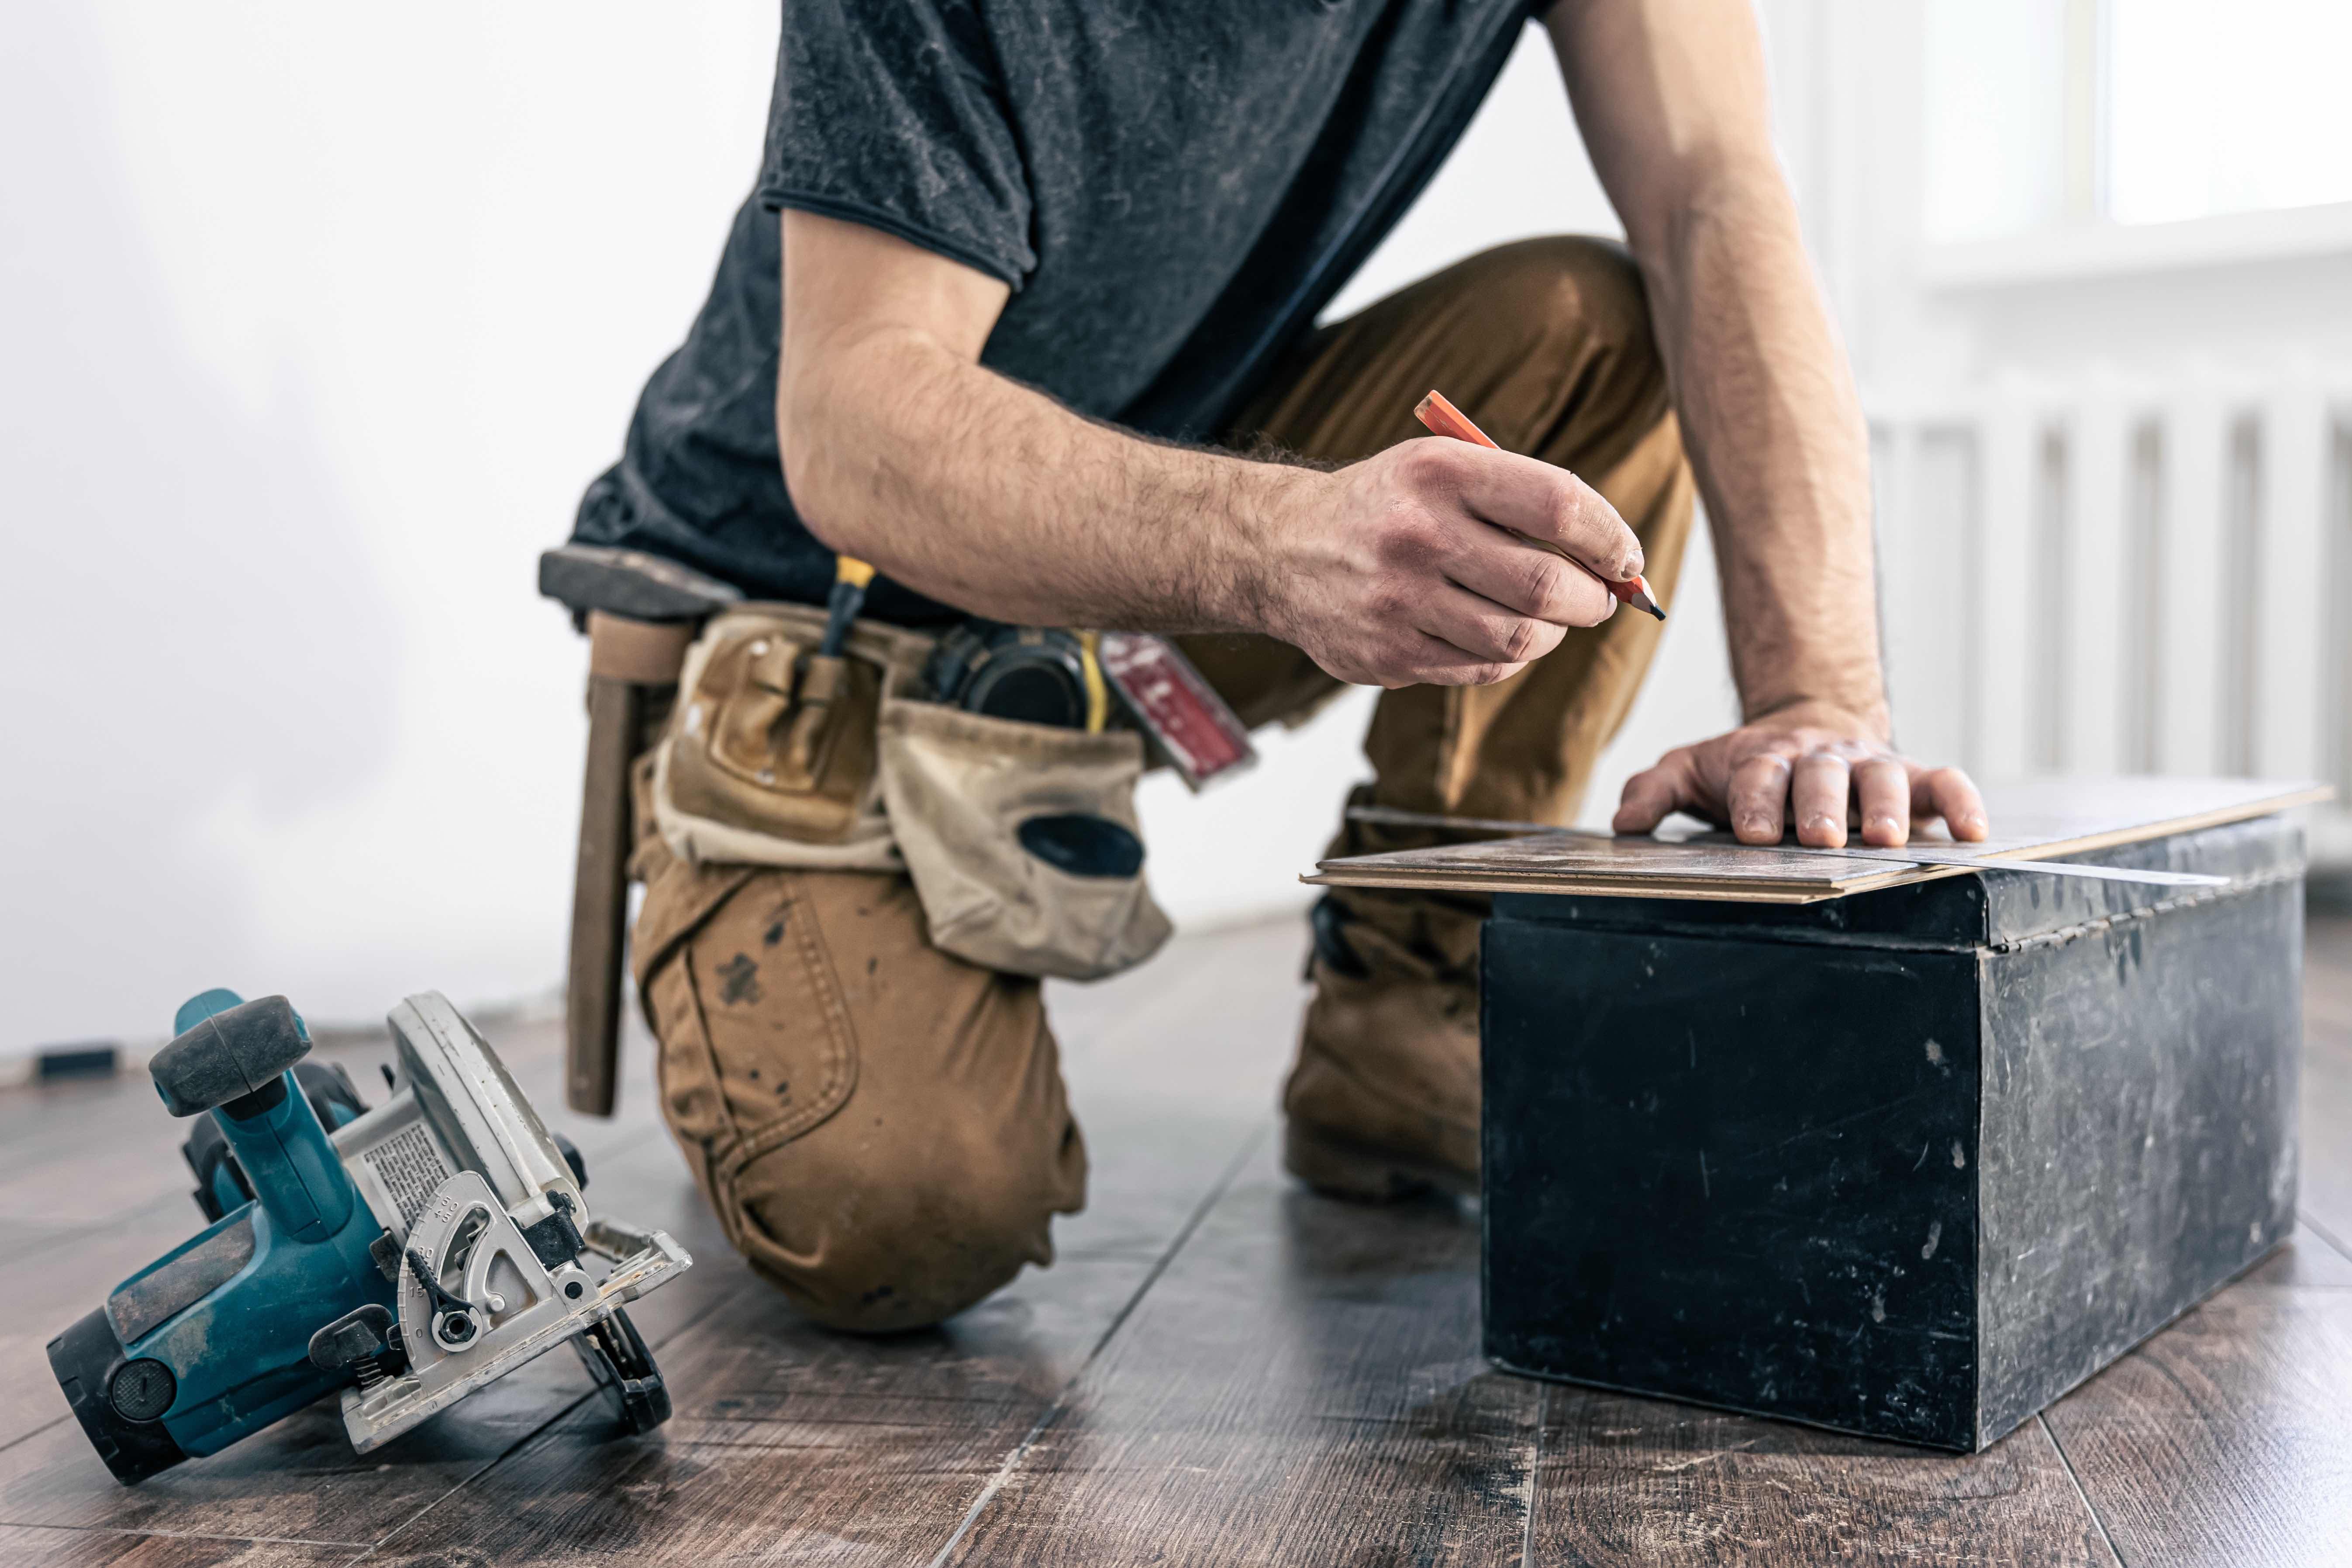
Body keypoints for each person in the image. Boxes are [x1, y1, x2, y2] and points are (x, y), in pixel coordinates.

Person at [571, 0, 1989, 1333]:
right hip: (816, 613)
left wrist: (1814, 697)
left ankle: (1407, 1008)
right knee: (911, 1218)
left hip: (1123, 559)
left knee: (1595, 328)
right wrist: (1275, 543)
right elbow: (856, 425)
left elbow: (1711, 198)